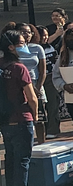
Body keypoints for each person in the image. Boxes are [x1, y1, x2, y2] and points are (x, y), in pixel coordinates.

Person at [0, 30, 38, 186]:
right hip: (22, 119)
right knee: (22, 161)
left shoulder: (2, 67)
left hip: (5, 120)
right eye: (21, 44)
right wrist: (35, 116)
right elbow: (32, 98)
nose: (25, 46)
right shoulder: (19, 68)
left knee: (10, 159)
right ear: (11, 47)